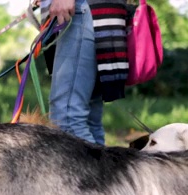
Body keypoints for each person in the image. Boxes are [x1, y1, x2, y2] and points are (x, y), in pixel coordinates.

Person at [43, 0, 128, 145]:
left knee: (66, 119)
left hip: (83, 10)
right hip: (95, 13)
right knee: (87, 121)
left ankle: (99, 168)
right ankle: (105, 167)